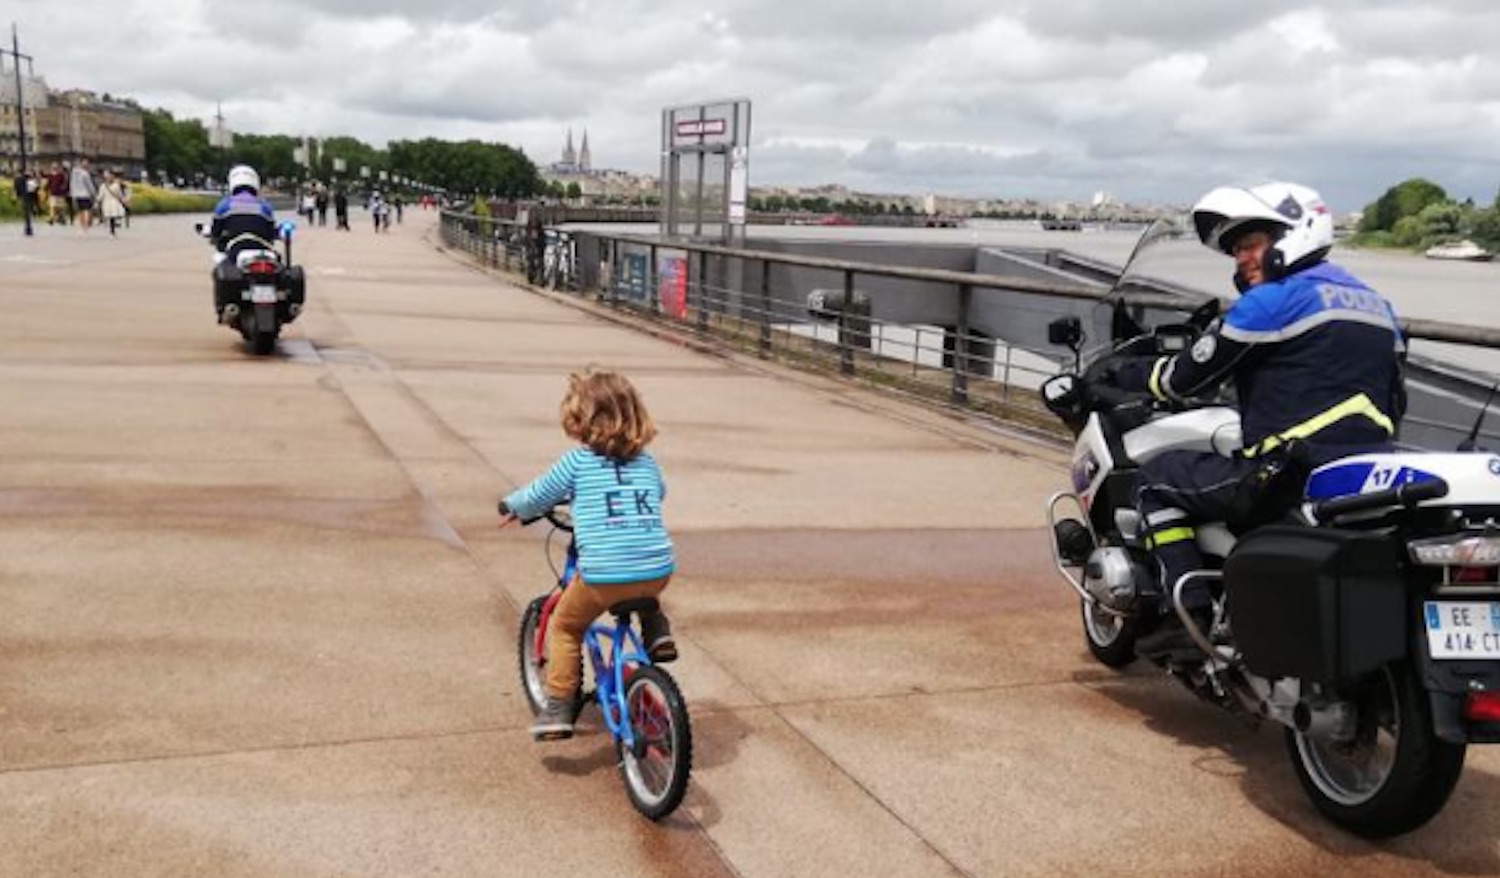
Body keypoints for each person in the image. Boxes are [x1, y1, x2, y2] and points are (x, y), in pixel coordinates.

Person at [1104, 181, 1405, 654]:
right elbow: (1393, 400)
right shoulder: (1378, 306)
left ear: (1292, 236)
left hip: (1286, 473)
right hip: (1367, 471)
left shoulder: (1274, 301)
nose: (1241, 259)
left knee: (1154, 481)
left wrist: (1123, 375)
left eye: (1250, 245)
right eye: (1236, 251)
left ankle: (1188, 616)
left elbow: (1186, 378)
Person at [498, 369, 678, 741]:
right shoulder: (647, 463)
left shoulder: (577, 463)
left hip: (603, 575)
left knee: (566, 626)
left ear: (583, 422)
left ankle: (560, 705)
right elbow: (658, 493)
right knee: (639, 577)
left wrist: (510, 505)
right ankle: (657, 631)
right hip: (658, 568)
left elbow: (537, 495)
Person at [208, 164, 278, 317]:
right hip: (263, 250)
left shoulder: (225, 205)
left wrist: (215, 238)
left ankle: (223, 307)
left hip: (236, 249)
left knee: (220, 269)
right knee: (279, 268)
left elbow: (215, 231)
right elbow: (272, 231)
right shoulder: (264, 205)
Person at [96, 169, 129, 236]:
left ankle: (112, 229)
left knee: (113, 216)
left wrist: (123, 200)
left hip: (114, 201)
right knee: (110, 215)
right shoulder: (103, 186)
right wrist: (97, 201)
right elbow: (100, 195)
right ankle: (111, 228)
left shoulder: (116, 185)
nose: (109, 178)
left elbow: (119, 194)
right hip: (107, 202)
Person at [69, 158, 97, 231]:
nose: (87, 165)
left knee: (80, 210)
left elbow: (72, 183)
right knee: (86, 209)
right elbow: (89, 184)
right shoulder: (85, 173)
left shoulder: (74, 172)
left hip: (77, 194)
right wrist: (93, 192)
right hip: (85, 194)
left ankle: (83, 224)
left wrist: (72, 193)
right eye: (86, 163)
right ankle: (86, 225)